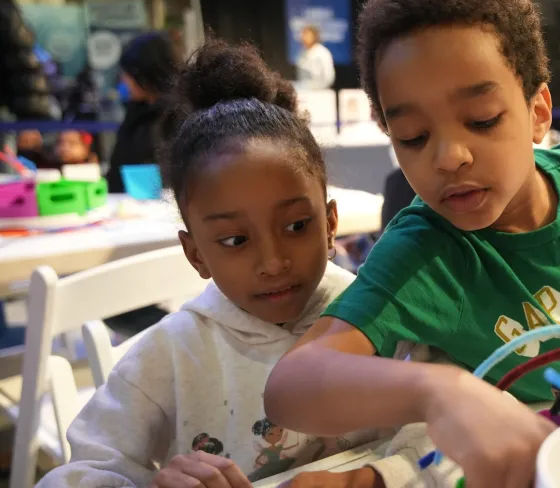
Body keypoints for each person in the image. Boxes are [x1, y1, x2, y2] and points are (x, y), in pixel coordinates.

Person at [264, 0, 560, 486]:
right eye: (413, 136)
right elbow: (289, 387)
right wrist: (439, 390)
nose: (449, 157)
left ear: (538, 111)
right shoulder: (425, 254)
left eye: (481, 119)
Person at [36, 40, 383, 488]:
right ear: (196, 253)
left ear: (331, 223)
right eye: (236, 239)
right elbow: (74, 476)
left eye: (296, 226)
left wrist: (372, 478)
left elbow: (449, 436)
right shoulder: (169, 356)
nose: (273, 261)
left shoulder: (379, 318)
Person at [105, 32, 180, 194]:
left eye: (129, 74)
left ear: (147, 73)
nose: (124, 80)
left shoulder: (179, 113)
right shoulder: (136, 110)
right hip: (129, 205)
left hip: (165, 207)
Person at [296, 25, 336, 89]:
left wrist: (316, 88)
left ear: (314, 36)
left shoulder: (323, 52)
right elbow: (300, 76)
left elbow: (329, 77)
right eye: (303, 35)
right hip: (304, 91)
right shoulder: (301, 53)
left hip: (321, 92)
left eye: (307, 35)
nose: (304, 38)